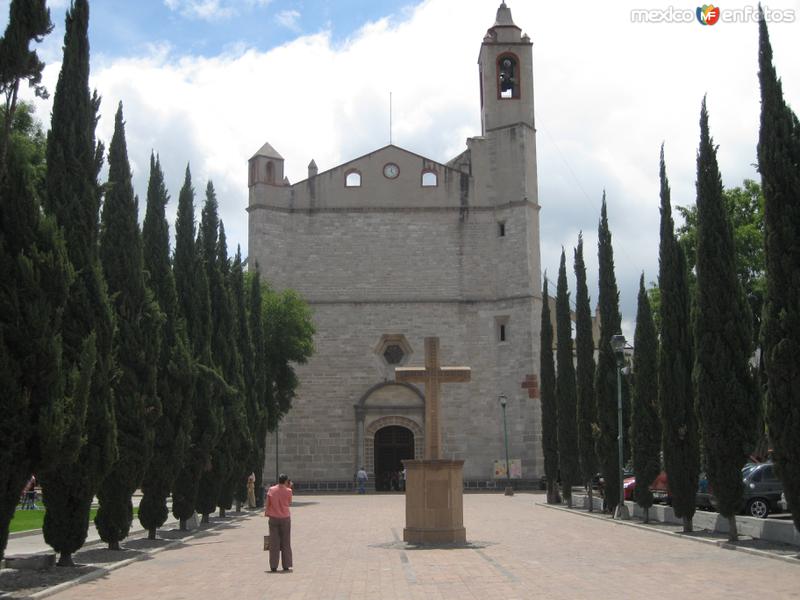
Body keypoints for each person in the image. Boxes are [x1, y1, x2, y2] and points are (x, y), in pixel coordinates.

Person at [265, 474, 293, 572]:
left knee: (274, 542)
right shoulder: (289, 491)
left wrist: (267, 513)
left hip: (273, 517)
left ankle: (273, 565)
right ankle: (286, 564)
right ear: (286, 481)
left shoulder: (271, 490)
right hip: (285, 517)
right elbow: (289, 503)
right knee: (286, 541)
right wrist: (289, 488)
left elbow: (267, 503)